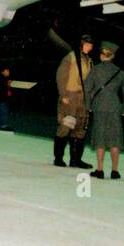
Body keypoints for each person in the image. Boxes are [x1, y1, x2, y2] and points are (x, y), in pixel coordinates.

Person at [83, 41, 124, 180]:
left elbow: (87, 89)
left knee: (100, 138)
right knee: (115, 139)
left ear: (102, 55)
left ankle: (100, 169)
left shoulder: (95, 70)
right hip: (115, 107)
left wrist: (88, 106)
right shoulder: (119, 72)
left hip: (99, 107)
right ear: (113, 56)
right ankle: (115, 171)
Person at [53, 34, 94, 168]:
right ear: (81, 44)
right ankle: (58, 158)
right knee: (66, 126)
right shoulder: (71, 57)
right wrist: (63, 94)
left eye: (91, 44)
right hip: (70, 96)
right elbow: (61, 75)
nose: (89, 47)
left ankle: (76, 159)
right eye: (87, 44)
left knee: (80, 128)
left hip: (83, 99)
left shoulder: (89, 61)